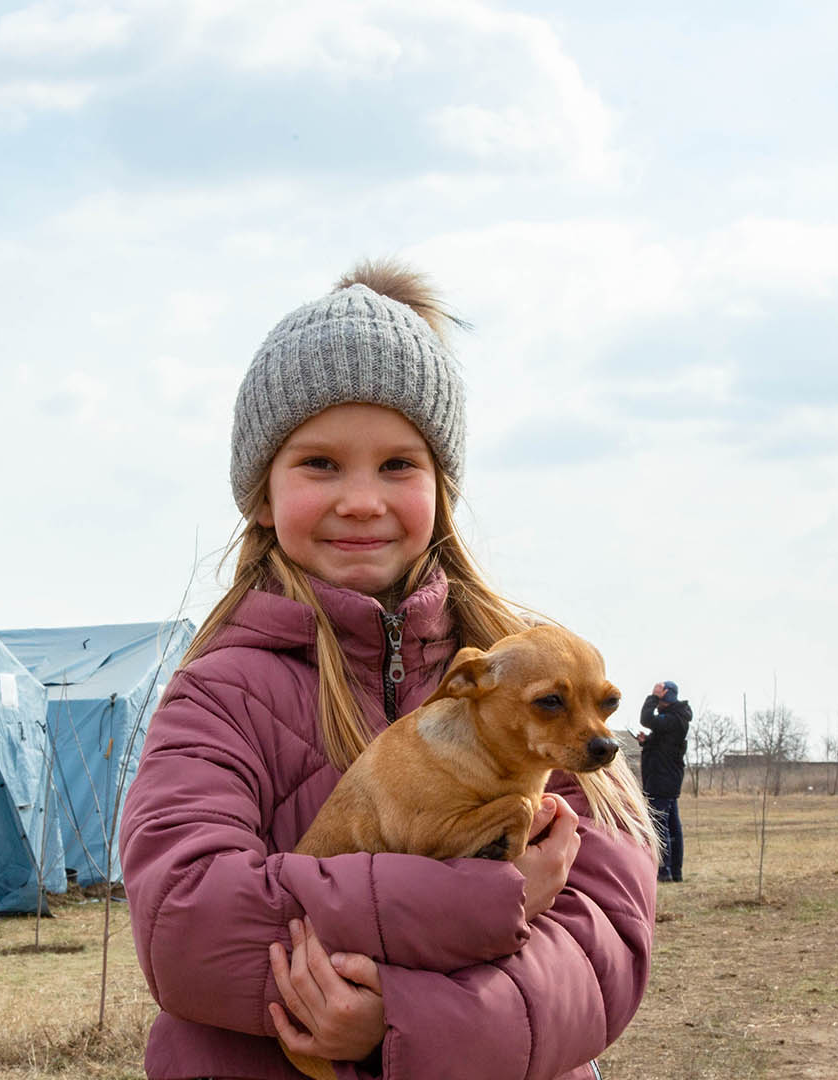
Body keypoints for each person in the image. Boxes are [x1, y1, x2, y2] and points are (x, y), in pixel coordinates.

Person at [119, 261, 660, 1080]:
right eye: (321, 464)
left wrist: (402, 1022)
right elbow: (187, 928)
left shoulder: (536, 685)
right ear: (261, 495)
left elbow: (602, 949)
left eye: (399, 465)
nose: (363, 500)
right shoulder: (218, 696)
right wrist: (491, 901)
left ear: (443, 488)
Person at [635, 681, 690, 882]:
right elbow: (664, 746)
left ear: (667, 695)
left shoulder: (675, 718)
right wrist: (646, 742)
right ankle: (675, 872)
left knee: (660, 825)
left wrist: (653, 696)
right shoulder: (675, 719)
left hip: (662, 780)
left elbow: (646, 718)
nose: (657, 701)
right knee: (672, 826)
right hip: (665, 778)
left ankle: (664, 871)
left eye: (660, 696)